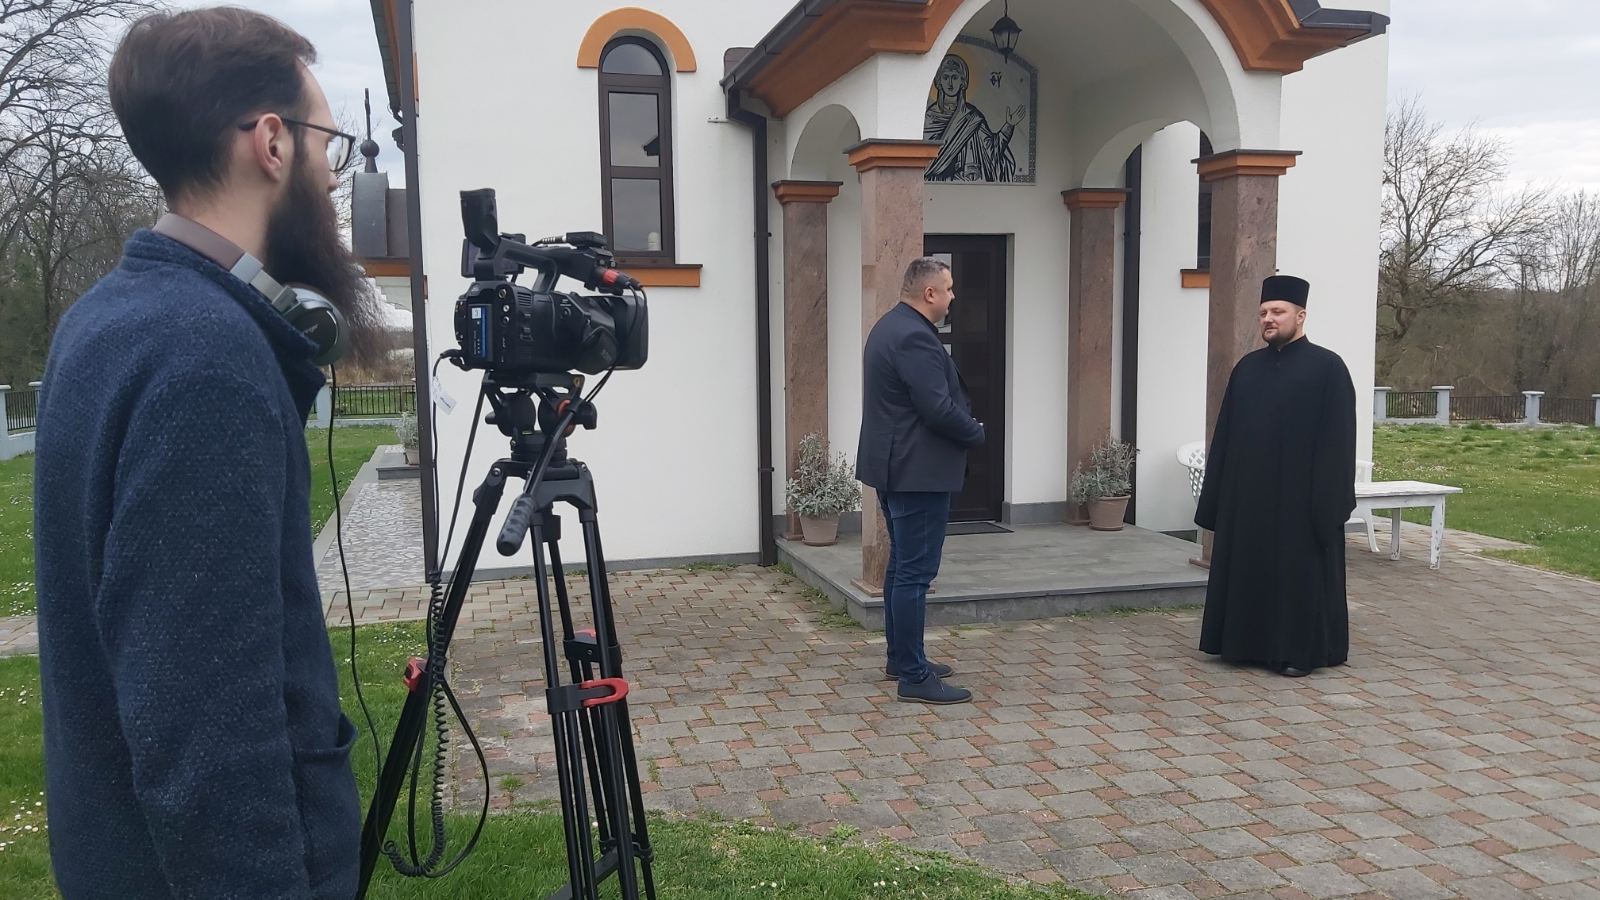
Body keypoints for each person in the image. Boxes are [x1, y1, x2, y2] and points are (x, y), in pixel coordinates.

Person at [32, 8, 389, 897]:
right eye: (329, 146)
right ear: (271, 142)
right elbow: (207, 740)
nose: (331, 177)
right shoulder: (207, 361)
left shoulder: (104, 317)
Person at [1194, 275, 1357, 678]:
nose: (1268, 318)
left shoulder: (1328, 368)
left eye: (1278, 312)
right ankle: (1243, 645)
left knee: (1296, 575)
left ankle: (1296, 652)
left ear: (1300, 316)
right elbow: (1225, 436)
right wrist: (1218, 499)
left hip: (1301, 501)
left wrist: (1328, 502)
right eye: (1264, 312)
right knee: (1249, 568)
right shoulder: (1247, 369)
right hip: (1248, 499)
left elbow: (1339, 440)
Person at [857, 257, 986, 704]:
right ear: (929, 293)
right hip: (917, 472)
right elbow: (937, 408)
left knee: (902, 567)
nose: (952, 296)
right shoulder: (912, 335)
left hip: (898, 467)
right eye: (948, 288)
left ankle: (902, 659)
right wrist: (976, 433)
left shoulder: (890, 327)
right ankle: (913, 676)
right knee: (915, 572)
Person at [923, 53, 1025, 183]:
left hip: (968, 180)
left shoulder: (972, 117)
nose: (950, 83)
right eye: (946, 77)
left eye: (955, 77)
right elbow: (923, 158)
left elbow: (992, 151)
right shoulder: (929, 117)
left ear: (962, 82)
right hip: (936, 182)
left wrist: (1009, 125)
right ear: (939, 82)